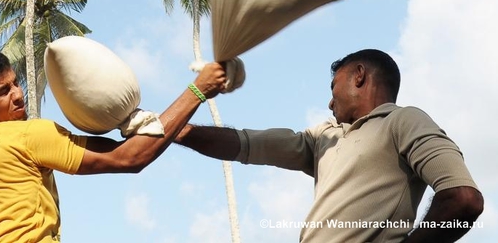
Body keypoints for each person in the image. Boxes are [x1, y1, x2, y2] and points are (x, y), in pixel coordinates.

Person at [175, 49, 483, 243]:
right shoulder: (322, 137)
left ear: (359, 76)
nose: (330, 101)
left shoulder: (403, 121)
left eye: (334, 86)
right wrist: (174, 129)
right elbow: (245, 144)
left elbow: (464, 200)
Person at [0, 49, 226, 243]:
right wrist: (198, 90)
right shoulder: (28, 135)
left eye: (15, 83)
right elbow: (130, 158)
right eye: (3, 92)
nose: (18, 95)